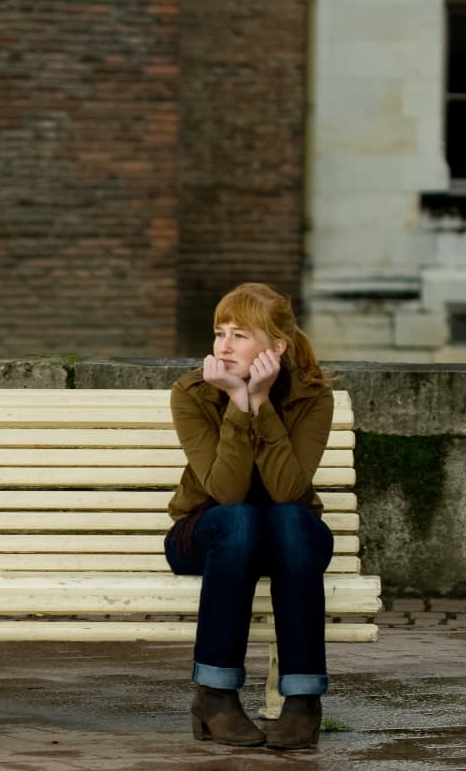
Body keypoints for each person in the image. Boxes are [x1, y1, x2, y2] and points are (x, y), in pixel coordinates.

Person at [164, 282, 335, 751]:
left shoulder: (311, 397)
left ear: (276, 346)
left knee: (287, 520)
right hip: (208, 531)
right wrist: (237, 405)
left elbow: (288, 491)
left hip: (287, 539)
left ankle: (302, 703)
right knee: (239, 519)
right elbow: (224, 491)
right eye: (220, 332)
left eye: (240, 334)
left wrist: (261, 404)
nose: (223, 345)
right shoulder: (193, 394)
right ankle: (215, 697)